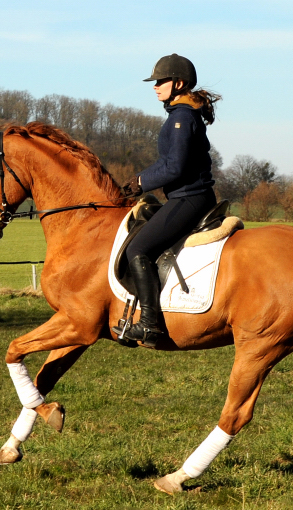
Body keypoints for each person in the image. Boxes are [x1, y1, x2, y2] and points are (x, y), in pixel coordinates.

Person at [117, 53, 221, 348]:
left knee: (138, 248)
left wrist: (140, 181)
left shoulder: (182, 117)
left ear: (178, 83)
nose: (155, 86)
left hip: (191, 199)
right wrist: (139, 180)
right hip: (186, 196)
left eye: (160, 81)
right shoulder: (181, 114)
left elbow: (175, 166)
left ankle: (150, 325)